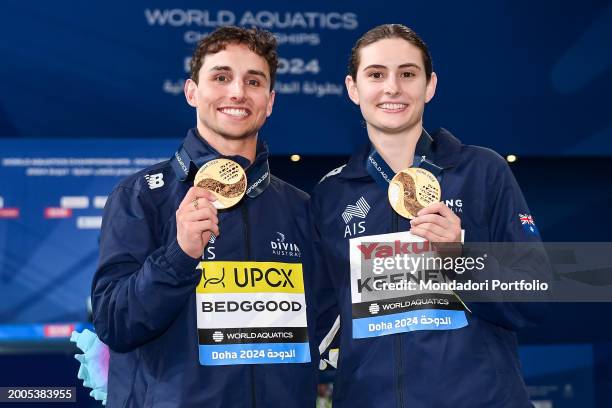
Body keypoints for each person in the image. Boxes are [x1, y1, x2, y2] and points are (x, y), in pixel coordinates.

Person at [310, 24, 548, 407]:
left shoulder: (482, 171)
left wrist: (461, 258)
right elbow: (320, 317)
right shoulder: (332, 194)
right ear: (353, 88)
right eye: (376, 75)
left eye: (407, 74)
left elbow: (537, 297)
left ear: (429, 85)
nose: (392, 88)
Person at [92, 26, 317, 407]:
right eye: (221, 77)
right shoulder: (140, 196)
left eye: (254, 81)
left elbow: (326, 322)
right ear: (192, 91)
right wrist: (178, 255)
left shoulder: (299, 207)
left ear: (270, 100)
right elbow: (114, 323)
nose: (237, 93)